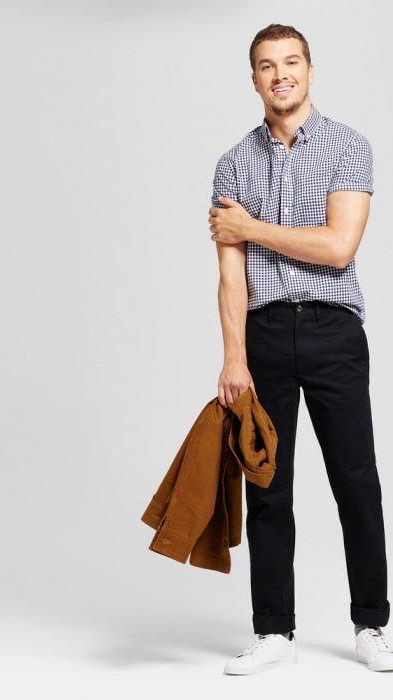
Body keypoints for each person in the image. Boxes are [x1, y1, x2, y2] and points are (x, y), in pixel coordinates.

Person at [208, 23, 393, 674]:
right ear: (254, 79)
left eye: (291, 62)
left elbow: (339, 246)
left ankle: (372, 623)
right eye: (267, 65)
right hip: (261, 334)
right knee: (266, 486)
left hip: (332, 329)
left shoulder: (349, 146)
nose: (280, 74)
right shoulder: (233, 163)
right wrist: (234, 357)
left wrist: (251, 227)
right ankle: (273, 632)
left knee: (356, 481)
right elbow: (231, 273)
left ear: (310, 71)